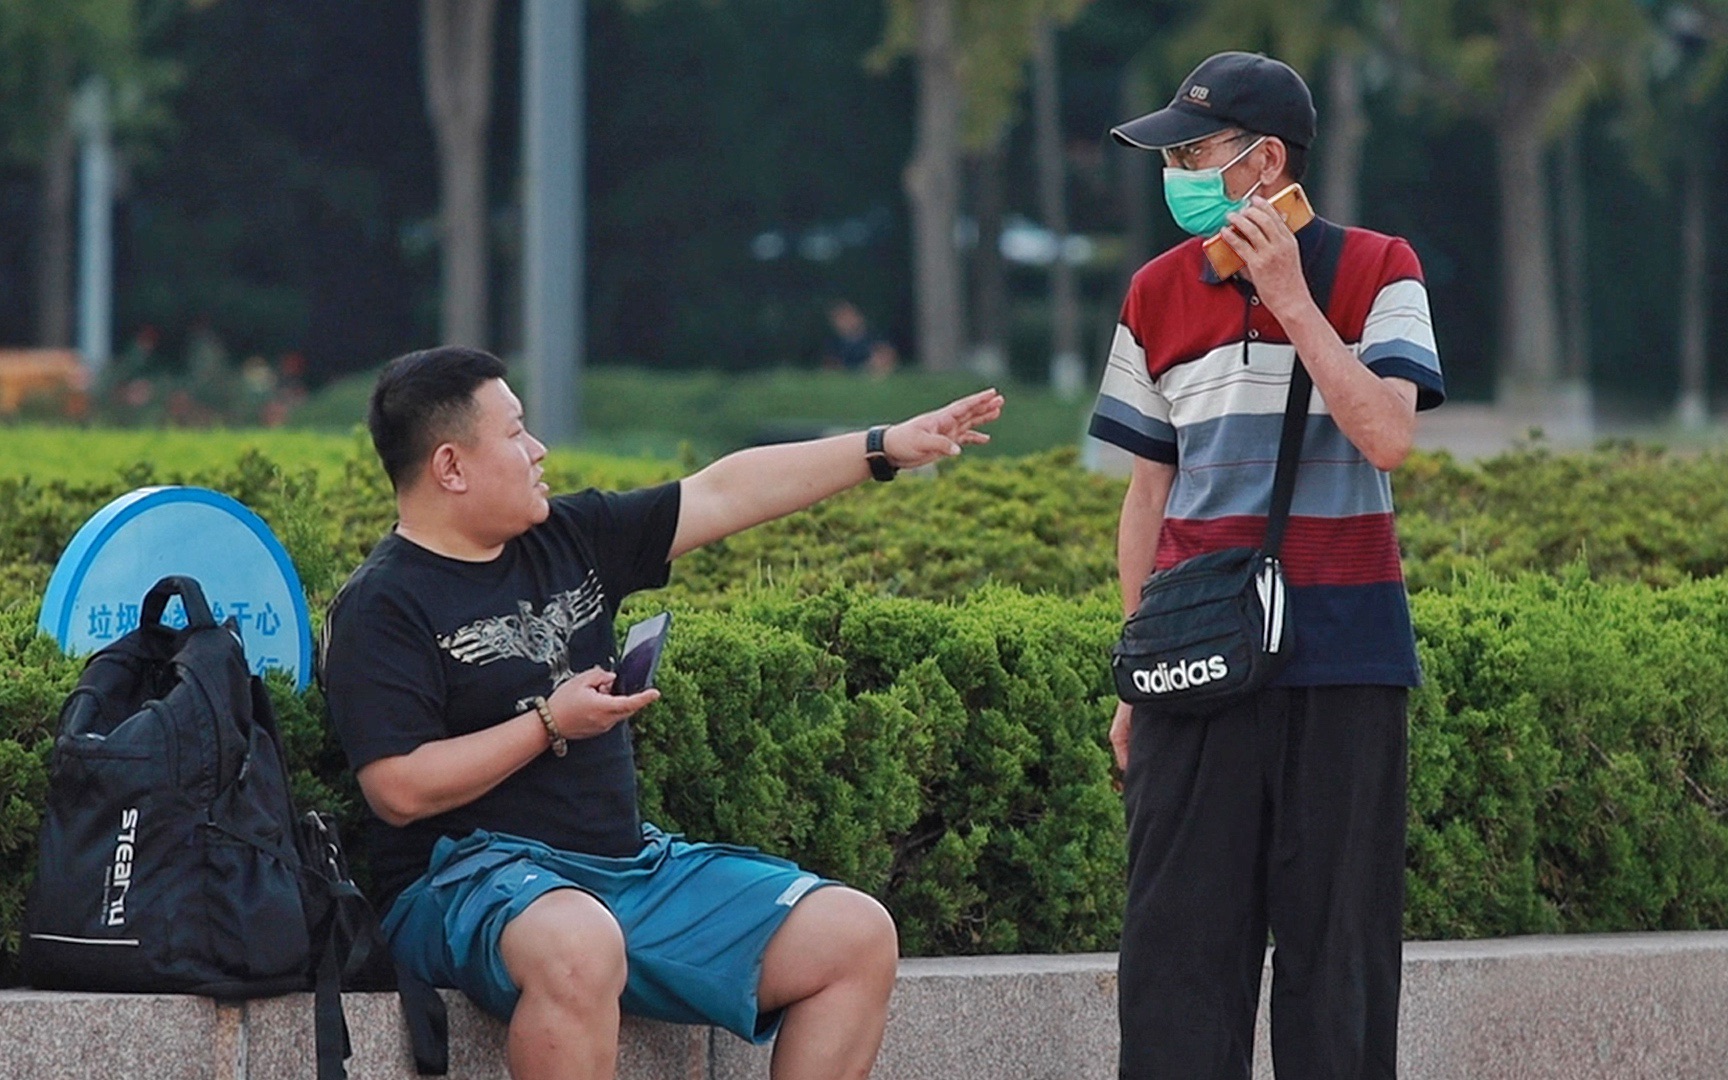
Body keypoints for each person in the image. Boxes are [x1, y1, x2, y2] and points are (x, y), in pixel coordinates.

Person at [319, 345, 1002, 1080]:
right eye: (516, 434)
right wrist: (550, 723)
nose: (538, 449)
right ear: (450, 467)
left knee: (854, 936)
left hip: (622, 872)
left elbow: (721, 493)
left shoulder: (567, 536)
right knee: (580, 941)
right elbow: (398, 788)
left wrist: (882, 448)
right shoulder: (381, 605)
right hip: (463, 882)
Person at [1089, 52, 1445, 1079]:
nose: (1180, 173)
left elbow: (1387, 436)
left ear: (1267, 160)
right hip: (1195, 672)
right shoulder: (1157, 291)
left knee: (1339, 967)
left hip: (1346, 663)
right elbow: (1147, 493)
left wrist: (1292, 297)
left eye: (1196, 152)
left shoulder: (1383, 268)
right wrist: (1135, 671)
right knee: (1173, 966)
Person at [822, 300, 898, 377]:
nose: (846, 321)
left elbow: (886, 359)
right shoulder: (834, 344)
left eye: (848, 315)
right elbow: (831, 369)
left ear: (859, 316)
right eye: (839, 318)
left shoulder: (875, 338)